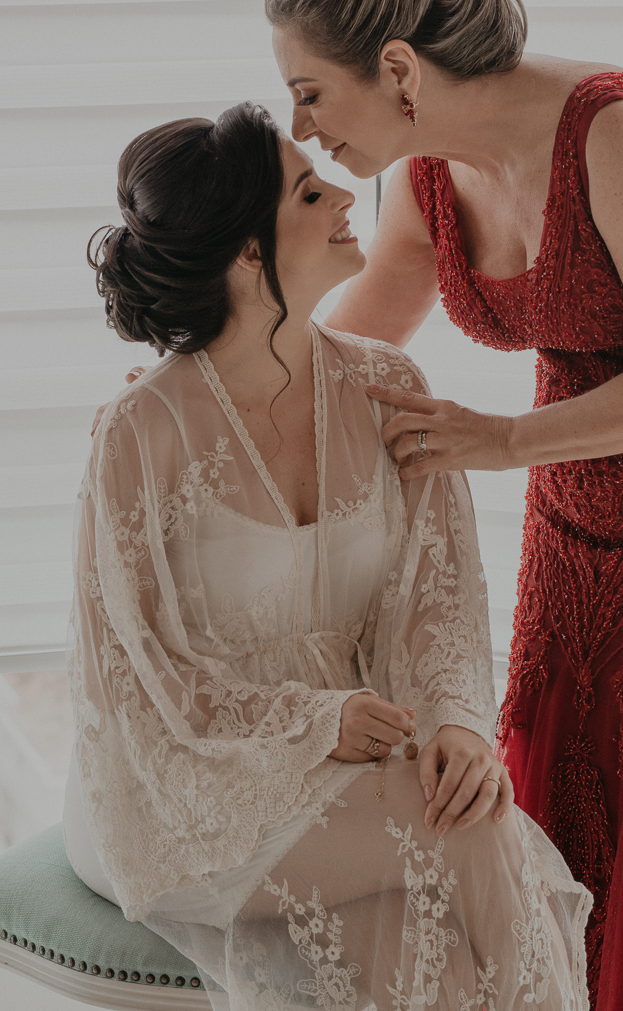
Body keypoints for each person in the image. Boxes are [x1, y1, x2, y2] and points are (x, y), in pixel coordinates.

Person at [259, 0, 623, 1009]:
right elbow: (357, 349)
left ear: (398, 69)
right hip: (577, 503)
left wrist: (500, 442)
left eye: (310, 90)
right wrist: (215, 388)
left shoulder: (620, 137)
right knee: (555, 759)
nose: (299, 124)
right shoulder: (425, 182)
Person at [63, 102, 592, 1011]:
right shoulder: (138, 436)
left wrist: (460, 719)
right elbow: (135, 683)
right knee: (467, 831)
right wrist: (308, 723)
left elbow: (440, 599)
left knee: (428, 963)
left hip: (362, 767)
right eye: (309, 192)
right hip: (177, 784)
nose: (347, 191)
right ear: (247, 254)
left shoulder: (386, 387)